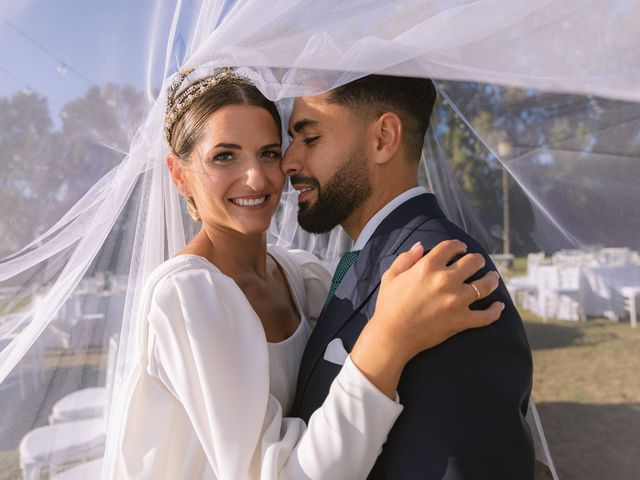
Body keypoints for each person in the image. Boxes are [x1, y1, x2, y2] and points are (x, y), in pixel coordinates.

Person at [111, 67, 504, 479]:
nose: (257, 177)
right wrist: (388, 339)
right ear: (178, 174)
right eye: (225, 156)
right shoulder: (187, 294)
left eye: (267, 152)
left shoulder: (299, 275)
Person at [283, 74, 535, 479]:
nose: (288, 162)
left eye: (309, 139)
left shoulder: (444, 274)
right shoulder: (368, 262)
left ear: (383, 138)